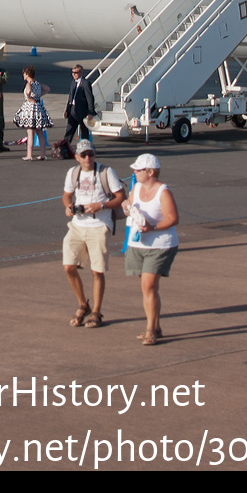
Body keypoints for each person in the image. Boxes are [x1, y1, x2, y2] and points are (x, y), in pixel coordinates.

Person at [61, 140, 125, 329]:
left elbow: (120, 196)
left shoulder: (106, 172)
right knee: (68, 266)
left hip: (99, 224)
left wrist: (101, 205)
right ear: (77, 157)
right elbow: (66, 195)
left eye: (91, 154)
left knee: (97, 270)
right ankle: (83, 304)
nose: (88, 158)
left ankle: (96, 311)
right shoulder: (73, 173)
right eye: (84, 155)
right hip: (78, 224)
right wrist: (69, 207)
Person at [122, 153, 178, 346]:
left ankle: (150, 330)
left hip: (160, 244)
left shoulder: (163, 191)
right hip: (138, 243)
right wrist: (126, 207)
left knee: (148, 286)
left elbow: (172, 218)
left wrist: (152, 227)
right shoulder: (136, 187)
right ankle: (156, 326)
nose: (135, 172)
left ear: (150, 172)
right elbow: (129, 205)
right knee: (149, 288)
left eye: (138, 170)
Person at [15, 66, 52, 161]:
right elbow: (47, 89)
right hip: (38, 107)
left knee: (30, 131)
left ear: (27, 74)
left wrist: (29, 97)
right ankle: (43, 154)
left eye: (24, 74)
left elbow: (28, 92)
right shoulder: (38, 84)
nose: (23, 75)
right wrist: (38, 95)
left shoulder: (29, 84)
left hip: (30, 108)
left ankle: (29, 154)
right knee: (39, 132)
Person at [63, 64, 96, 149]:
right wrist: (67, 110)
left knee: (84, 131)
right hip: (73, 110)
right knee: (69, 130)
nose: (74, 74)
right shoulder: (73, 82)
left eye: (76, 73)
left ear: (81, 73)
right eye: (72, 72)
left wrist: (90, 112)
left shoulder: (85, 83)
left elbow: (90, 98)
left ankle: (85, 148)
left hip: (82, 111)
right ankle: (65, 147)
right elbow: (70, 97)